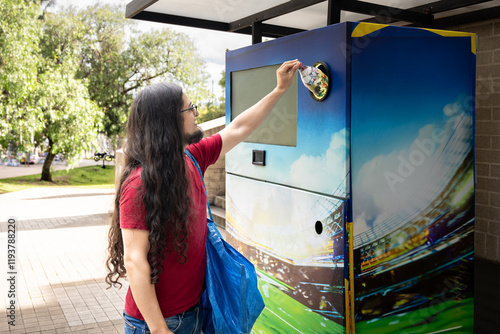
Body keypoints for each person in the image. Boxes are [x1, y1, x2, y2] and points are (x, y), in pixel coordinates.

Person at [105, 59, 300, 334]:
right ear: (169, 120)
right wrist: (160, 329)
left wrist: (279, 90)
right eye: (190, 108)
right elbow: (135, 260)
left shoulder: (192, 158)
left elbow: (239, 128)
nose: (196, 112)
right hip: (157, 324)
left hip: (197, 311)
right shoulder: (139, 183)